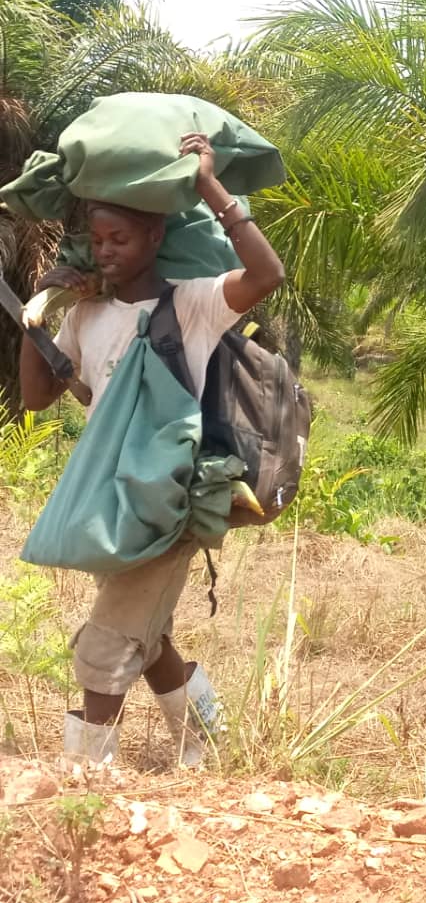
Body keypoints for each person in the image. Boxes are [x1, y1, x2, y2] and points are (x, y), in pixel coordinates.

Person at [19, 132, 285, 766]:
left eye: (123, 240)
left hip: (171, 499)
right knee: (148, 630)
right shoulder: (86, 316)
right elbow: (36, 398)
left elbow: (266, 274)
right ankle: (209, 743)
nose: (108, 252)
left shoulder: (191, 304)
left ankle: (86, 778)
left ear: (156, 239)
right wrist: (43, 310)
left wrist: (207, 185)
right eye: (100, 240)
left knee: (106, 642)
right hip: (113, 500)